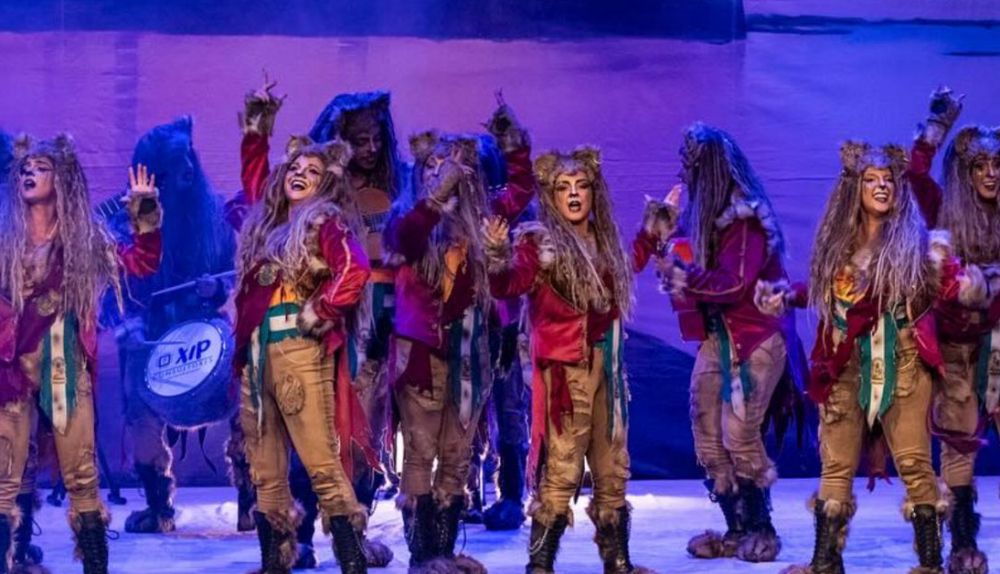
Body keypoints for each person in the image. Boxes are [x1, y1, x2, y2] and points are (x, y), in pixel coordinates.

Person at [770, 141, 978, 573]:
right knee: (836, 465)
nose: (882, 186)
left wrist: (957, 276)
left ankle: (930, 563)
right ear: (855, 188)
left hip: (902, 361)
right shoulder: (836, 246)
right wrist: (789, 295)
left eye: (888, 180)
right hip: (842, 363)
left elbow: (949, 286)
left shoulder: (916, 245)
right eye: (871, 180)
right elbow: (830, 295)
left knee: (914, 463)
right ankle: (825, 562)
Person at [485, 145, 659, 574]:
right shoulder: (539, 243)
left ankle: (618, 562)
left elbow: (628, 265)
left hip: (608, 367)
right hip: (567, 370)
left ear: (594, 192)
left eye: (582, 185)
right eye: (564, 187)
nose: (575, 194)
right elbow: (509, 284)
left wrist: (652, 232)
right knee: (562, 467)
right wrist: (496, 255)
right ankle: (540, 565)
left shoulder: (605, 241)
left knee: (612, 466)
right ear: (552, 195)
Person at [0, 134, 162, 573]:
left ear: (63, 179)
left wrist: (144, 210)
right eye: (25, 168)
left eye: (41, 167)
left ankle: (94, 566)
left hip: (61, 364)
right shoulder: (6, 240)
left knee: (81, 476)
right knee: (4, 478)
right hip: (11, 369)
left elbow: (141, 263)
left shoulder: (85, 241)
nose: (29, 173)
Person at [384, 101, 533, 573]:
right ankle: (421, 555)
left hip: (472, 354)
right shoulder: (406, 219)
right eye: (434, 165)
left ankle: (443, 553)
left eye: (454, 166)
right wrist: (438, 195)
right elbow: (405, 239)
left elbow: (522, 190)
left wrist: (513, 145)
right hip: (422, 355)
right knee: (421, 451)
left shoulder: (483, 221)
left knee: (456, 454)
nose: (445, 172)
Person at [653, 124, 803, 563]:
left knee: (738, 432)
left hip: (757, 335)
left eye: (694, 168)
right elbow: (678, 262)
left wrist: (684, 275)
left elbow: (734, 284)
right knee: (706, 432)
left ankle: (761, 527)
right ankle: (736, 528)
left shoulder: (745, 220)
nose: (687, 175)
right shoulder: (703, 221)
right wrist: (664, 240)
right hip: (720, 335)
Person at [103, 117, 238, 534]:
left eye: (189, 158)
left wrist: (215, 289)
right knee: (139, 411)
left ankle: (254, 498)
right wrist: (129, 323)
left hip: (203, 330)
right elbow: (115, 285)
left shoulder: (212, 213)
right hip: (149, 335)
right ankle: (158, 505)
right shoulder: (124, 222)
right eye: (179, 163)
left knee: (249, 396)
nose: (189, 169)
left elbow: (229, 273)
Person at [908, 87, 999, 574]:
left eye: (997, 165)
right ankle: (963, 542)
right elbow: (914, 172)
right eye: (980, 165)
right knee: (958, 443)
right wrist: (937, 125)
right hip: (956, 349)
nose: (991, 174)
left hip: (998, 345)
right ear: (966, 173)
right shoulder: (942, 209)